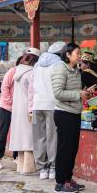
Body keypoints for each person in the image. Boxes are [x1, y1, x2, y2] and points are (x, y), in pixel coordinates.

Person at [52, 43, 93, 193]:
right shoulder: (60, 69)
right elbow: (58, 93)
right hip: (64, 113)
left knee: (72, 148)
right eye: (77, 53)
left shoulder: (75, 70)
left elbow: (74, 90)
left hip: (75, 112)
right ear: (68, 55)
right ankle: (60, 183)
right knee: (64, 149)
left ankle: (68, 179)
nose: (80, 56)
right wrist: (78, 94)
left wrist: (85, 93)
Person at [33, 42, 64, 179]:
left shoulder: (37, 65)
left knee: (39, 137)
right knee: (52, 137)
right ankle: (52, 167)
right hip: (52, 104)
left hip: (37, 104)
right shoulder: (59, 64)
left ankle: (42, 168)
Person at [9, 51, 39, 174]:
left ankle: (20, 167)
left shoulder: (17, 72)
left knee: (20, 138)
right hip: (28, 108)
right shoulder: (31, 73)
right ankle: (29, 168)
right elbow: (33, 93)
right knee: (29, 138)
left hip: (17, 108)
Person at [0, 57, 21, 170]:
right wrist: (11, 101)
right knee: (2, 134)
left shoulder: (27, 73)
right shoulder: (12, 72)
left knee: (18, 134)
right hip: (6, 107)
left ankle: (16, 157)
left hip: (18, 109)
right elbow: (4, 87)